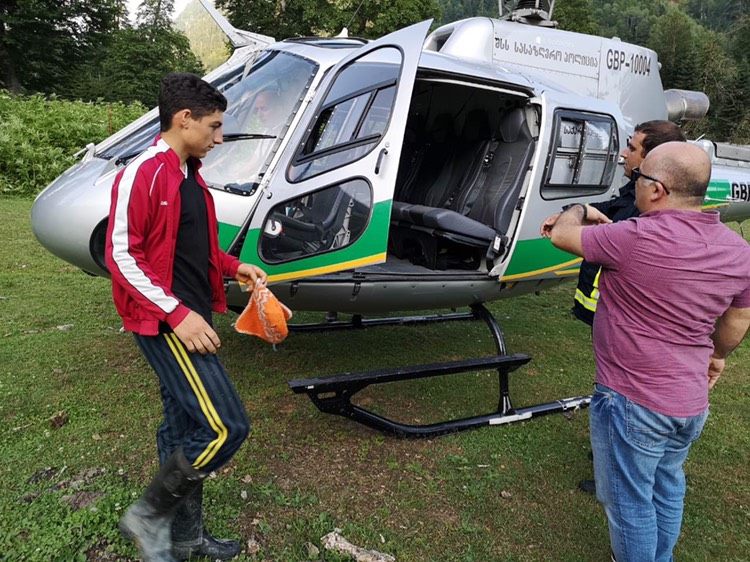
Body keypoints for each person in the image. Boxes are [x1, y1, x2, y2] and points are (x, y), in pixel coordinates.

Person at [542, 142, 750, 561]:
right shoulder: (738, 251)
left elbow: (561, 234)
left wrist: (581, 209)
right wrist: (717, 355)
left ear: (656, 189)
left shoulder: (634, 237)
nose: (632, 184)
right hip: (690, 402)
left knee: (629, 502)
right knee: (667, 484)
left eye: (637, 178)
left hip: (633, 401)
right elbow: (737, 321)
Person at [105, 72, 267, 562]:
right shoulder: (144, 172)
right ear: (184, 119)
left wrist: (235, 266)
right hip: (169, 323)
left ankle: (186, 539)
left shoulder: (190, 176)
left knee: (180, 432)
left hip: (193, 315)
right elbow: (121, 256)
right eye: (214, 127)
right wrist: (178, 316)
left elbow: (196, 249)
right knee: (226, 428)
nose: (219, 138)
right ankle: (148, 516)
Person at [541, 120, 687, 495]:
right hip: (612, 319)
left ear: (651, 161)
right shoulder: (635, 197)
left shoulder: (646, 220)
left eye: (632, 147)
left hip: (628, 328)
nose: (624, 152)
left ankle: (624, 472)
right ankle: (623, 457)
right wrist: (585, 207)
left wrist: (574, 217)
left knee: (624, 393)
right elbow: (615, 206)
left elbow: (601, 229)